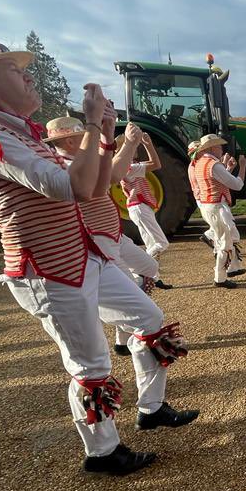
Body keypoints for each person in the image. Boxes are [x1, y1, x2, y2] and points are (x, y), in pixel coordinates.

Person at [0, 33, 198, 477]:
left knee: (149, 319)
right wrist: (93, 125)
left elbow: (96, 188)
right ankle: (103, 452)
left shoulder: (19, 133)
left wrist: (106, 135)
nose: (29, 78)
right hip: (48, 270)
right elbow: (73, 187)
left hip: (84, 256)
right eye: (16, 71)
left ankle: (151, 408)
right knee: (89, 362)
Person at [44, 115, 168, 357]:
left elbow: (109, 168)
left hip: (114, 235)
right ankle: (132, 340)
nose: (87, 142)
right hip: (97, 240)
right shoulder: (65, 167)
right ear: (70, 141)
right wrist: (129, 144)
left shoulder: (79, 162)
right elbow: (110, 176)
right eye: (84, 137)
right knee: (133, 295)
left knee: (149, 267)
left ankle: (123, 332)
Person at [187, 134, 246, 288]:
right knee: (225, 244)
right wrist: (243, 167)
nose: (221, 149)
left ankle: (226, 271)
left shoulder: (200, 163)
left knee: (226, 240)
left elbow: (218, 180)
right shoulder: (213, 164)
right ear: (212, 148)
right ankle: (220, 278)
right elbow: (237, 185)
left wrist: (228, 168)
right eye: (219, 146)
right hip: (216, 207)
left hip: (209, 206)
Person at [118, 131, 169, 259]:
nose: (135, 148)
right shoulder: (130, 167)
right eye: (132, 146)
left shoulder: (127, 166)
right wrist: (148, 144)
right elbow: (156, 164)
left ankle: (150, 270)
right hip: (140, 207)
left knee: (151, 244)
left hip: (137, 207)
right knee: (162, 243)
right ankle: (143, 264)